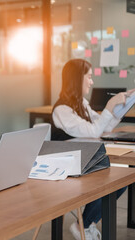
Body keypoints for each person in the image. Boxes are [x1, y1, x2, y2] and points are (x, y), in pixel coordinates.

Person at [52, 59, 134, 240]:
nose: (92, 81)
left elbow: (103, 128)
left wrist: (119, 109)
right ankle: (86, 223)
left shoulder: (82, 103)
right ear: (76, 79)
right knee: (108, 175)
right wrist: (109, 106)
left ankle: (88, 222)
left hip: (86, 158)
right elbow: (93, 131)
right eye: (89, 77)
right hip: (67, 163)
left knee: (122, 175)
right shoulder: (62, 110)